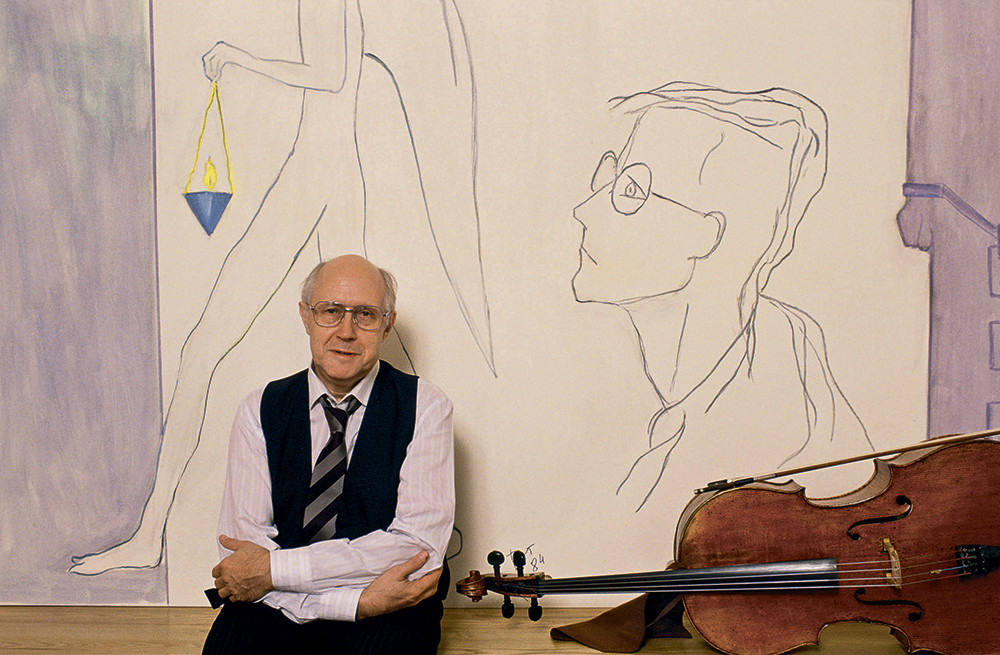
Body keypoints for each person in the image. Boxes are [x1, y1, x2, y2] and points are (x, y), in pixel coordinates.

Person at [71, 0, 491, 576]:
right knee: (323, 332)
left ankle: (421, 515)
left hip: (321, 172)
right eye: (322, 313)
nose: (344, 325)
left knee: (342, 341)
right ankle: (151, 535)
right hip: (324, 167)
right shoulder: (261, 412)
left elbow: (333, 74)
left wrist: (236, 57)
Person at [571, 82, 874, 510]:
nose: (584, 210)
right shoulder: (613, 376)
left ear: (706, 234)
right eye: (609, 176)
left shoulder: (787, 393)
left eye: (630, 190)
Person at [201, 254, 455, 654]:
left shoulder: (427, 407)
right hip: (284, 603)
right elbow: (243, 557)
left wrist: (274, 570)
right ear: (306, 317)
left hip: (393, 605)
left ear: (387, 325)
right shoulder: (258, 409)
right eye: (330, 311)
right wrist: (355, 604)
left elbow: (415, 549)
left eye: (365, 315)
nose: (346, 331)